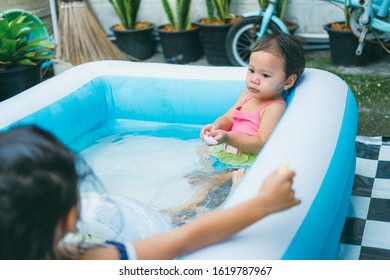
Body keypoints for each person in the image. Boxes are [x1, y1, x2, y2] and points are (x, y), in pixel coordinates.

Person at [0, 125, 300, 260]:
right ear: (67, 215)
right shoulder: (81, 261)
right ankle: (229, 187)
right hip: (155, 235)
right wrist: (262, 204)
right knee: (186, 216)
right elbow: (179, 241)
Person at [201, 32, 305, 168]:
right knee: (201, 156)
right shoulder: (246, 96)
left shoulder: (274, 107)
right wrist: (215, 127)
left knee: (215, 182)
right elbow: (227, 118)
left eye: (265, 75)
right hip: (228, 148)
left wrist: (228, 137)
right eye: (251, 70)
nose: (254, 79)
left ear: (288, 82)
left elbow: (261, 143)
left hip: (245, 160)